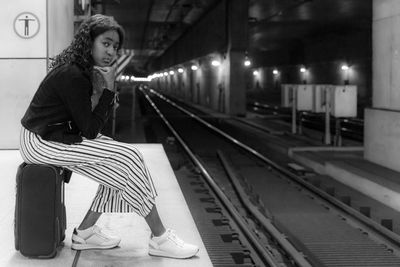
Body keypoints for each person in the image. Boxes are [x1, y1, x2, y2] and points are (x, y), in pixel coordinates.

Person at [19, 14, 199, 259]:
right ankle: (160, 237)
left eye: (115, 46)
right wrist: (109, 88)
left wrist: (104, 92)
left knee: (118, 163)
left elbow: (91, 127)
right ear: (89, 42)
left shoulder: (81, 71)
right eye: (106, 43)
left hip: (54, 135)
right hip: (39, 142)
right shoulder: (72, 75)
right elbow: (91, 130)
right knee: (129, 157)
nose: (111, 51)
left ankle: (85, 233)